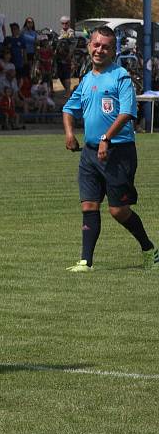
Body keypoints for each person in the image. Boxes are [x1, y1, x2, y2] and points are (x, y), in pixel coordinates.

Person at [62, 26, 158, 272]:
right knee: (88, 205)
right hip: (90, 154)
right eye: (96, 45)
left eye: (105, 46)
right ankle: (86, 262)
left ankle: (149, 249)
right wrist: (70, 133)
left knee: (118, 210)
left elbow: (128, 112)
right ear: (89, 46)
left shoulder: (121, 76)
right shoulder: (86, 79)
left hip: (119, 152)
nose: (99, 50)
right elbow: (67, 109)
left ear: (113, 50)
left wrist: (106, 138)